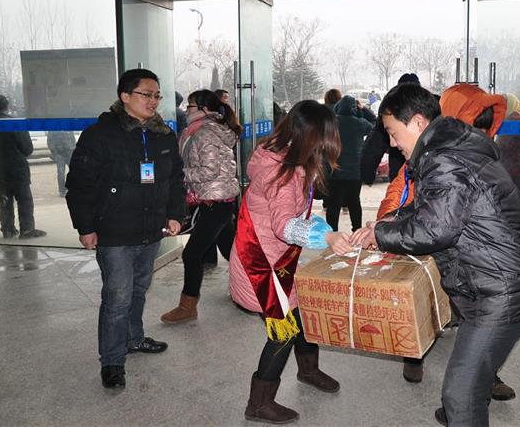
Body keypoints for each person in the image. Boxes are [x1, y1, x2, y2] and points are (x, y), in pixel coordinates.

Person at [351, 84, 520, 427]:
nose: (393, 144)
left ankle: (464, 410)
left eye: (393, 133)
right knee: (471, 381)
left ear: (416, 122)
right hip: (500, 282)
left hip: (502, 290)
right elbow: (436, 207)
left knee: (460, 394)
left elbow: (435, 229)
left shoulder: (443, 158)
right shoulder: (452, 149)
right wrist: (390, 222)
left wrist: (380, 235)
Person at [373, 83, 517, 402]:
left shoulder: (464, 152)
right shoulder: (425, 154)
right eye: (472, 125)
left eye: (483, 129)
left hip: (463, 255)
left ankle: (482, 377)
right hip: (418, 239)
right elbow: (400, 195)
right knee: (420, 303)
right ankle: (414, 355)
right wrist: (385, 226)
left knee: (471, 317)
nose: (478, 133)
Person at [228, 100, 352, 424]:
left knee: (302, 317)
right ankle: (258, 403)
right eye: (323, 141)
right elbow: (284, 226)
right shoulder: (281, 173)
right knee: (283, 333)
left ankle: (308, 371)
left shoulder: (288, 159)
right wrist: (327, 237)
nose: (325, 149)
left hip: (277, 259)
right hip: (261, 266)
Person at [65, 68, 185, 389]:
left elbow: (175, 179)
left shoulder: (163, 134)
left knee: (138, 289)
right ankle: (113, 361)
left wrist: (175, 213)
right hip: (114, 231)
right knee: (117, 296)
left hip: (150, 229)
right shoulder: (100, 135)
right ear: (125, 96)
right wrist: (85, 227)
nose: (154, 101)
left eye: (157, 95)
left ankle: (134, 338)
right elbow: (79, 185)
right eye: (147, 94)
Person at [161, 90, 241, 324]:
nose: (187, 110)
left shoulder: (205, 132)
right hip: (213, 199)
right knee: (232, 251)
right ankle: (253, 289)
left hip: (216, 201)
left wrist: (179, 175)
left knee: (192, 254)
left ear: (204, 110)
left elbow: (209, 171)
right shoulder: (199, 130)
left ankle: (187, 307)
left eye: (191, 106)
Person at [0, 94, 47, 239]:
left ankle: (7, 230)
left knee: (4, 200)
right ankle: (27, 230)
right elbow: (27, 149)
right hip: (17, 170)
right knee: (24, 200)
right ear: (6, 106)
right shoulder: (14, 123)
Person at [359, 73, 419, 186]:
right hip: (429, 174)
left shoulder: (390, 111)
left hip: (399, 176)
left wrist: (367, 174)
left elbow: (374, 146)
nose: (393, 142)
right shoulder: (433, 107)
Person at [325, 95, 374, 232]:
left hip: (334, 171)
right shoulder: (360, 123)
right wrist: (363, 109)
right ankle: (357, 230)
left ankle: (332, 232)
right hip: (355, 172)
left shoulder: (331, 123)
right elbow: (375, 124)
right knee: (354, 202)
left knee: (333, 204)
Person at [47, 131, 77, 197]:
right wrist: (55, 153)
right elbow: (49, 142)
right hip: (59, 155)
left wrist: (73, 148)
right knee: (61, 174)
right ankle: (62, 190)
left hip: (69, 153)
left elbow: (73, 138)